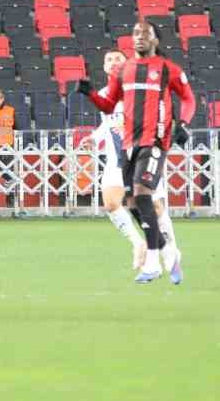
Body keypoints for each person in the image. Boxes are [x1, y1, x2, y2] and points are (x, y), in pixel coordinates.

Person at [78, 20, 195, 284]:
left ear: (156, 40)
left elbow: (188, 97)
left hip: (154, 141)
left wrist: (183, 123)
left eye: (146, 33)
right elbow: (108, 109)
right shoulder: (125, 73)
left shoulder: (166, 68)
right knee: (131, 203)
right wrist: (89, 94)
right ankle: (168, 251)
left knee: (147, 199)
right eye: (136, 33)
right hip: (127, 148)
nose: (140, 37)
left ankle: (154, 260)